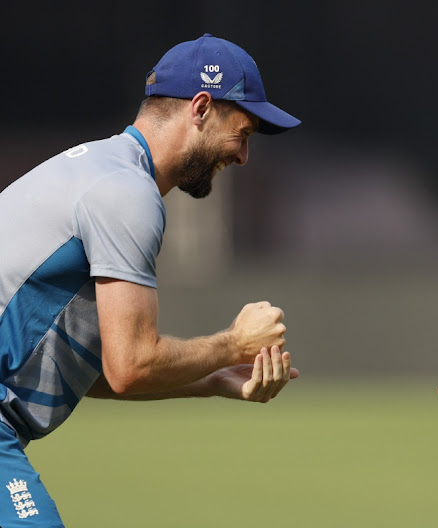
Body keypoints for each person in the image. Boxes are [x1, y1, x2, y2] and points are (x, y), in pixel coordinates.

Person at [0, 34, 301, 527]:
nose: (244, 155)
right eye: (242, 132)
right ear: (201, 107)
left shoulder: (99, 169)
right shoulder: (127, 194)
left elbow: (87, 372)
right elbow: (132, 365)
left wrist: (211, 381)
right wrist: (234, 343)